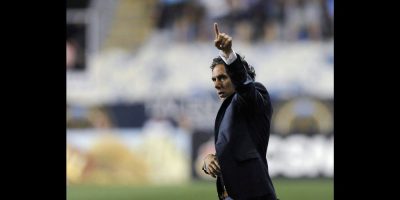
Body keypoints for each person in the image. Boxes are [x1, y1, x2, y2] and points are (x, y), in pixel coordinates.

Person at [202, 23, 278, 200]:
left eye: (222, 77)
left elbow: (245, 87)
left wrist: (228, 54)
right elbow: (232, 150)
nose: (216, 83)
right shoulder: (228, 108)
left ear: (236, 76)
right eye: (213, 79)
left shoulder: (255, 96)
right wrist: (209, 160)